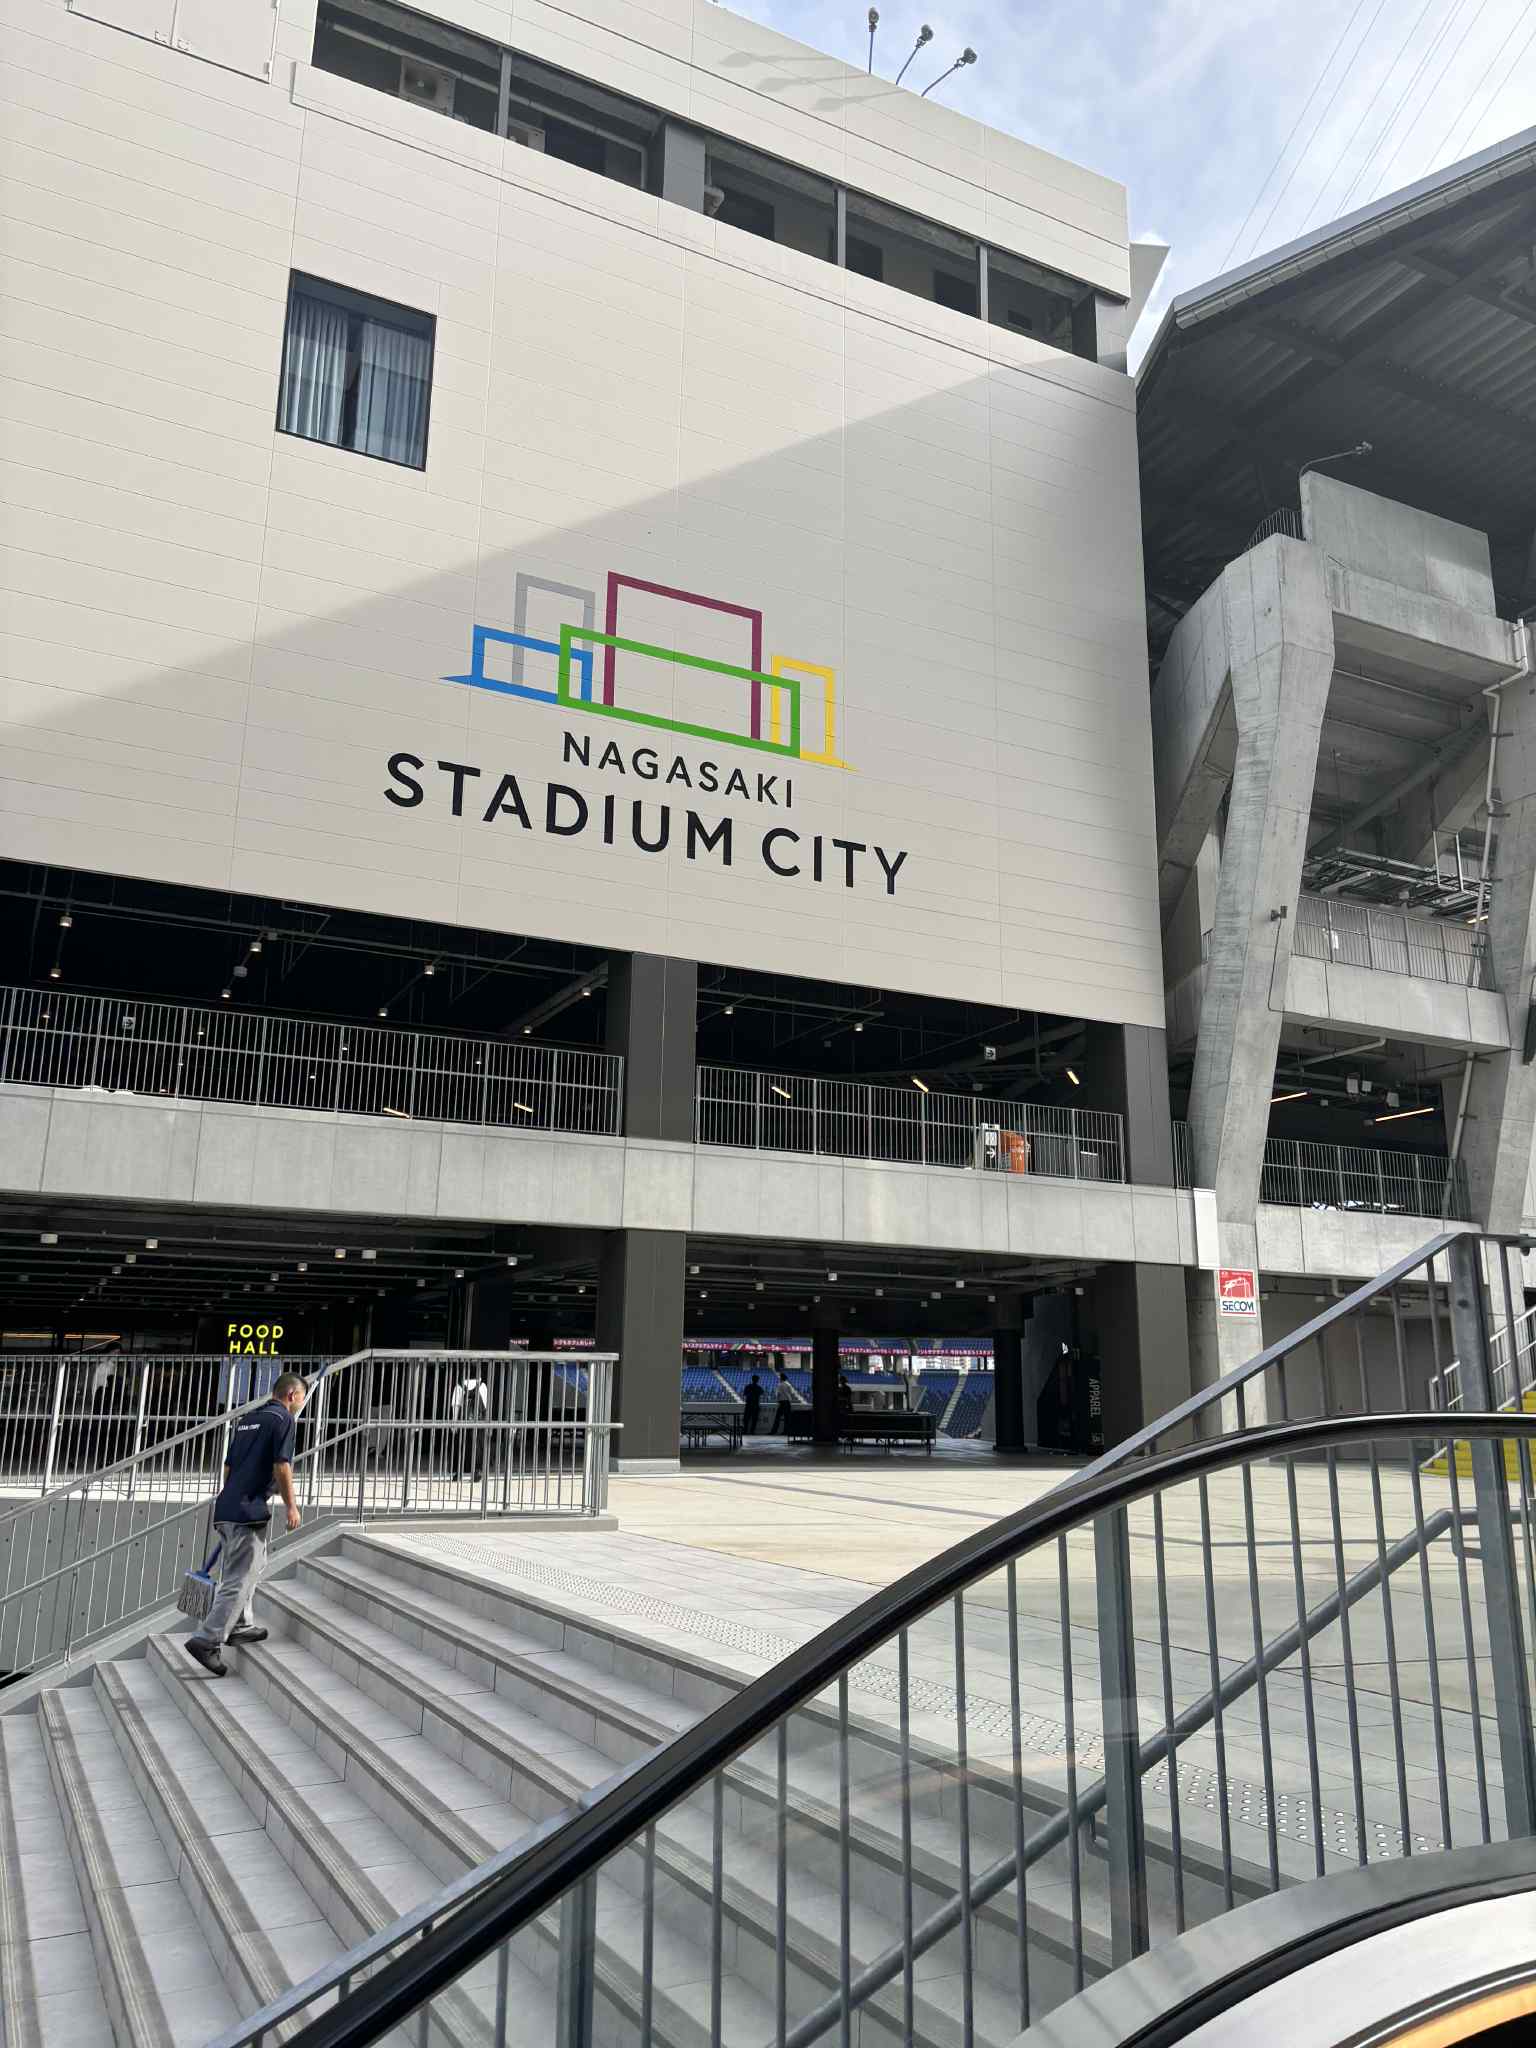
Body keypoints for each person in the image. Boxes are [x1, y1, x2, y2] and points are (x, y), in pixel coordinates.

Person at [183, 1371, 307, 1677]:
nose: (301, 1405)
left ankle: (240, 1625)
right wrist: (291, 1506)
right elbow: (282, 1465)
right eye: (301, 1399)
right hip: (247, 1512)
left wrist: (239, 1493)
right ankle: (207, 1640)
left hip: (227, 1506)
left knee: (253, 1564)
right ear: (292, 1395)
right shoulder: (284, 1420)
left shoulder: (248, 1419)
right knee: (238, 1578)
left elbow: (229, 1467)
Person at [770, 1367, 795, 1434]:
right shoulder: (788, 1385)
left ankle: (774, 1431)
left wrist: (777, 1400)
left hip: (782, 1403)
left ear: (781, 1378)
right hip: (787, 1403)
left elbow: (778, 1394)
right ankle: (786, 1431)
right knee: (787, 1418)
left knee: (777, 1418)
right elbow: (791, 1393)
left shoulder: (780, 1385)